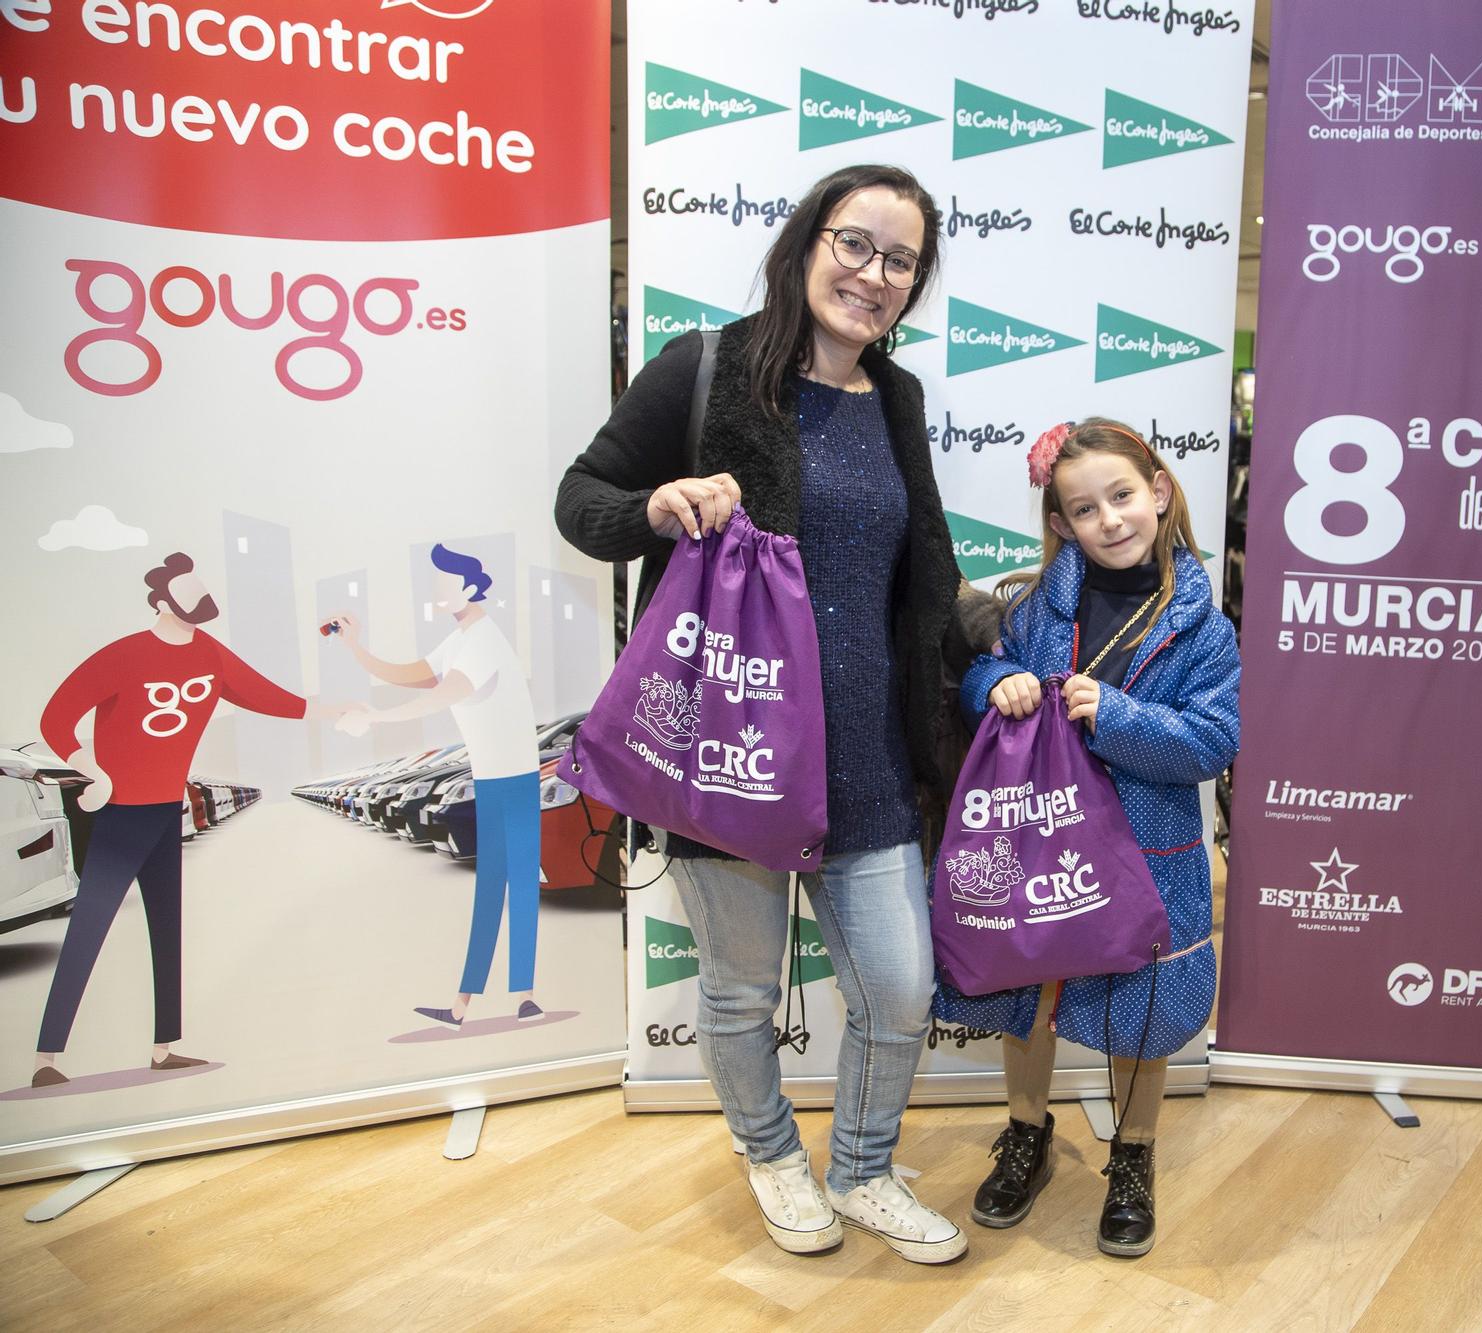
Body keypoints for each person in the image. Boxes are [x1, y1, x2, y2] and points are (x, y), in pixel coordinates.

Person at [554, 164, 967, 1263]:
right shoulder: (705, 367)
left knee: (897, 985)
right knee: (737, 992)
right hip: (727, 754)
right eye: (854, 243)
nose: (872, 275)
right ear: (804, 243)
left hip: (868, 757)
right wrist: (654, 504)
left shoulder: (900, 398)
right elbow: (580, 501)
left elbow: (915, 575)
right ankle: (772, 1151)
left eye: (899, 260)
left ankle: (866, 1167)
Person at [937, 418, 1241, 1258]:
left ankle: (1134, 1155)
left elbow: (1213, 742)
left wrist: (1119, 715)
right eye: (1084, 508)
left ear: (1160, 492)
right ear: (1061, 523)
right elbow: (977, 673)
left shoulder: (1203, 629)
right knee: (1028, 990)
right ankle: (1027, 1132)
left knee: (1144, 1010)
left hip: (1149, 853)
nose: (1109, 519)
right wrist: (999, 683)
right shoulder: (1039, 605)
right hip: (1045, 842)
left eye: (1122, 496)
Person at [32, 553, 353, 1087]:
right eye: (189, 600)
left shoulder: (209, 654)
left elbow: (262, 694)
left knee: (167, 930)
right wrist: (91, 768)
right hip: (119, 813)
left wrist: (325, 710)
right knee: (90, 927)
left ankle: (163, 1049)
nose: (200, 609)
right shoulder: (125, 655)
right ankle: (47, 1058)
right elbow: (56, 716)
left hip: (164, 810)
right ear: (161, 602)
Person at [327, 545, 546, 1028]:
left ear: (468, 589)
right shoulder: (460, 638)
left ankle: (518, 997)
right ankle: (475, 1003)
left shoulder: (485, 639)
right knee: (496, 883)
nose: (437, 592)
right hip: (492, 778)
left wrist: (377, 717)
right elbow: (410, 675)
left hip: (516, 777)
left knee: (517, 883)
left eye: (445, 584)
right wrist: (354, 645)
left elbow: (448, 693)